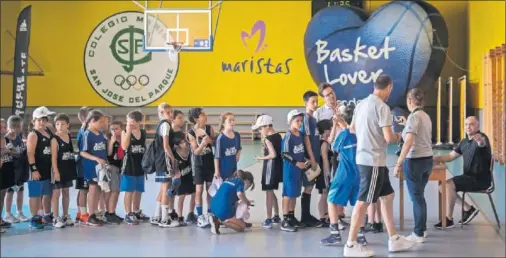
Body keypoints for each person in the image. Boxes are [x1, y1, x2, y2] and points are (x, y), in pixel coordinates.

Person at [344, 75, 414, 257]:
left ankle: (394, 239)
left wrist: (367, 133)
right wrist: (401, 136)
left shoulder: (361, 104)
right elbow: (389, 138)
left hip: (368, 158)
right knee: (363, 201)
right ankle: (350, 245)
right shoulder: (382, 107)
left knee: (388, 195)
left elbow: (352, 129)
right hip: (372, 160)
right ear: (389, 87)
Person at [432, 116, 491, 229]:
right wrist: (433, 158)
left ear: (478, 126)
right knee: (442, 186)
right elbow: (450, 156)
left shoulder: (482, 138)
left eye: (472, 124)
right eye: (466, 124)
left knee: (448, 184)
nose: (468, 126)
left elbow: (482, 144)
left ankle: (448, 219)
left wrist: (480, 141)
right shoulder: (464, 142)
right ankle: (468, 209)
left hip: (480, 179)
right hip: (468, 177)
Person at [321, 105, 367, 246]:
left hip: (343, 174)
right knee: (359, 205)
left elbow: (332, 146)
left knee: (331, 200)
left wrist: (336, 124)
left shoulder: (343, 135)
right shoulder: (361, 133)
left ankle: (334, 233)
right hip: (359, 174)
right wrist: (342, 123)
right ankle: (361, 235)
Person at [393, 88, 433, 242]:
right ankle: (422, 229)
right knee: (420, 196)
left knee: (416, 198)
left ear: (409, 101)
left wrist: (398, 163)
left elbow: (409, 141)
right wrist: (406, 123)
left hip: (415, 161)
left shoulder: (413, 118)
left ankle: (418, 233)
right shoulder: (425, 116)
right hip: (427, 159)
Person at [26, 107, 56, 229]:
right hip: (36, 169)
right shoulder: (33, 134)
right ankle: (34, 217)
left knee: (47, 193)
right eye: (40, 120)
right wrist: (34, 169)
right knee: (35, 194)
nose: (42, 122)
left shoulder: (48, 132)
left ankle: (46, 215)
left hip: (47, 169)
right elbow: (30, 153)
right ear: (34, 120)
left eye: (44, 119)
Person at [252, 114, 283, 229]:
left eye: (261, 128)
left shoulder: (267, 139)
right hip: (278, 167)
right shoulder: (278, 136)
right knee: (271, 191)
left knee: (268, 192)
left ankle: (269, 218)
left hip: (270, 168)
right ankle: (276, 215)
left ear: (267, 126)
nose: (260, 131)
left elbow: (273, 154)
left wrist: (260, 158)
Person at [187, 108, 215, 228]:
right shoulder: (191, 132)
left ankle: (209, 213)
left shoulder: (209, 128)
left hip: (209, 163)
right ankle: (199, 216)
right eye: (202, 114)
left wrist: (211, 141)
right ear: (196, 118)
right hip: (198, 164)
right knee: (199, 190)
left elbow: (214, 142)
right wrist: (203, 144)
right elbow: (196, 152)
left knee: (209, 189)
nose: (205, 116)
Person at [280, 109, 307, 232]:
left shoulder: (300, 135)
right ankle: (285, 219)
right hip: (291, 170)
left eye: (301, 121)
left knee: (295, 193)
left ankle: (291, 216)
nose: (300, 123)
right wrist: (297, 163)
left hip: (298, 170)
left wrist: (305, 160)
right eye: (297, 121)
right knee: (288, 194)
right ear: (290, 121)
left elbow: (300, 151)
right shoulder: (288, 136)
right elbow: (284, 154)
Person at [80, 109, 108, 226]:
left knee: (98, 190)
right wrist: (96, 159)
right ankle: (90, 215)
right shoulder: (87, 134)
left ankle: (95, 213)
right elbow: (82, 152)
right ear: (92, 121)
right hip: (91, 167)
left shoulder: (100, 133)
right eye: (100, 122)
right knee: (92, 190)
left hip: (100, 168)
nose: (102, 124)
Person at [151, 103, 177, 227]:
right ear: (161, 113)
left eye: (172, 112)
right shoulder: (166, 125)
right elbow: (166, 146)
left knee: (163, 189)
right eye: (168, 112)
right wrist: (173, 159)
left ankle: (157, 215)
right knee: (166, 189)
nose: (171, 114)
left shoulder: (162, 125)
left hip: (160, 159)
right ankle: (165, 219)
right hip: (164, 159)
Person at [300, 91, 323, 227]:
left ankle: (306, 215)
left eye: (316, 101)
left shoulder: (314, 119)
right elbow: (306, 139)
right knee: (307, 187)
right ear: (305, 104)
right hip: (309, 159)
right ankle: (305, 217)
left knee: (310, 187)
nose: (315, 104)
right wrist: (312, 159)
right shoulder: (306, 119)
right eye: (312, 102)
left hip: (315, 157)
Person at [120, 111, 148, 225]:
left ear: (139, 122)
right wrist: (128, 131)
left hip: (140, 165)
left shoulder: (143, 132)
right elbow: (124, 146)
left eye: (132, 122)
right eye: (128, 122)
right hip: (129, 165)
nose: (129, 124)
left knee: (138, 190)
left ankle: (136, 211)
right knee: (129, 191)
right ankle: (128, 213)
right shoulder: (125, 132)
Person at [50, 114, 77, 228]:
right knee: (56, 193)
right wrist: (56, 171)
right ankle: (56, 217)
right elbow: (53, 158)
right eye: (57, 124)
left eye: (62, 124)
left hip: (68, 168)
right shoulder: (54, 139)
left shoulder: (68, 136)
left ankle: (65, 215)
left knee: (66, 192)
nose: (60, 126)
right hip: (58, 169)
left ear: (68, 125)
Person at [208, 170, 255, 235]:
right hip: (222, 209)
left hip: (213, 206)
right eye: (248, 186)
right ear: (247, 181)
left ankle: (218, 219)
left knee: (236, 205)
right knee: (242, 227)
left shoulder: (228, 180)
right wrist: (247, 202)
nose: (246, 188)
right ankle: (219, 221)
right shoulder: (240, 182)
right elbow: (240, 194)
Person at [3, 115, 29, 224]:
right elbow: (13, 151)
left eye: (20, 127)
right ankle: (8, 213)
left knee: (20, 190)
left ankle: (19, 211)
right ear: (11, 126)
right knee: (10, 191)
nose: (18, 129)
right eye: (16, 127)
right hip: (11, 168)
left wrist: (26, 144)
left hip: (20, 168)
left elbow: (21, 147)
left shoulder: (19, 136)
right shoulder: (6, 138)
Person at [173, 130, 195, 226]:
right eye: (182, 142)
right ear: (178, 144)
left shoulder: (190, 149)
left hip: (189, 176)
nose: (185, 143)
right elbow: (174, 168)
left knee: (194, 194)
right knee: (181, 197)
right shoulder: (175, 154)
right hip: (180, 178)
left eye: (185, 141)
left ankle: (191, 214)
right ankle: (180, 216)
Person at [75, 106, 93, 224]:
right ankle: (83, 213)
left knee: (84, 190)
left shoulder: (91, 131)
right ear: (84, 119)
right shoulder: (83, 132)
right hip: (83, 166)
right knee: (83, 190)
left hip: (90, 166)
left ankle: (79, 212)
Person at [105, 120, 124, 224]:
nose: (114, 131)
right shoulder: (110, 139)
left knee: (117, 191)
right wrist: (112, 142)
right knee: (114, 191)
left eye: (117, 129)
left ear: (121, 129)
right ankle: (110, 213)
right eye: (112, 129)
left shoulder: (124, 138)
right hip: (112, 167)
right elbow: (109, 153)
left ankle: (113, 212)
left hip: (121, 167)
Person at [215, 112, 242, 180]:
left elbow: (239, 148)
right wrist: (216, 171)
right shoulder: (220, 138)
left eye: (233, 120)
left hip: (234, 169)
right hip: (223, 171)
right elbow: (216, 156)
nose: (232, 122)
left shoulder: (237, 135)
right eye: (230, 120)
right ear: (223, 123)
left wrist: (238, 154)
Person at [1, 118, 16, 230]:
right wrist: (5, 151)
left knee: (2, 195)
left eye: (4, 127)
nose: (2, 129)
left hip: (6, 170)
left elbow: (14, 152)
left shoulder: (6, 139)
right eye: (0, 127)